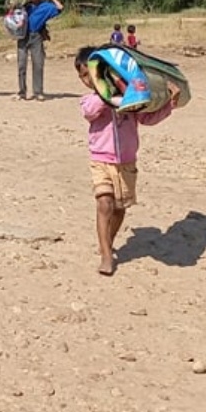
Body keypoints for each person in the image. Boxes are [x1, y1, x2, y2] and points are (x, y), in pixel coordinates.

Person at [75, 47, 178, 276]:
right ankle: (105, 255)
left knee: (120, 208)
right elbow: (90, 112)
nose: (87, 79)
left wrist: (169, 104)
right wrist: (107, 93)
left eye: (90, 73)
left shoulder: (130, 97)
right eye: (83, 76)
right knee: (104, 203)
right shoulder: (90, 100)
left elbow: (147, 118)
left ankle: (107, 243)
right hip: (101, 159)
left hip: (127, 162)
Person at [18, 0, 63, 101]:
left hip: (36, 36)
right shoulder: (25, 6)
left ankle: (38, 92)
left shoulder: (46, 7)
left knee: (38, 64)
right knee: (21, 65)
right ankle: (22, 92)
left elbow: (60, 7)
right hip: (23, 35)